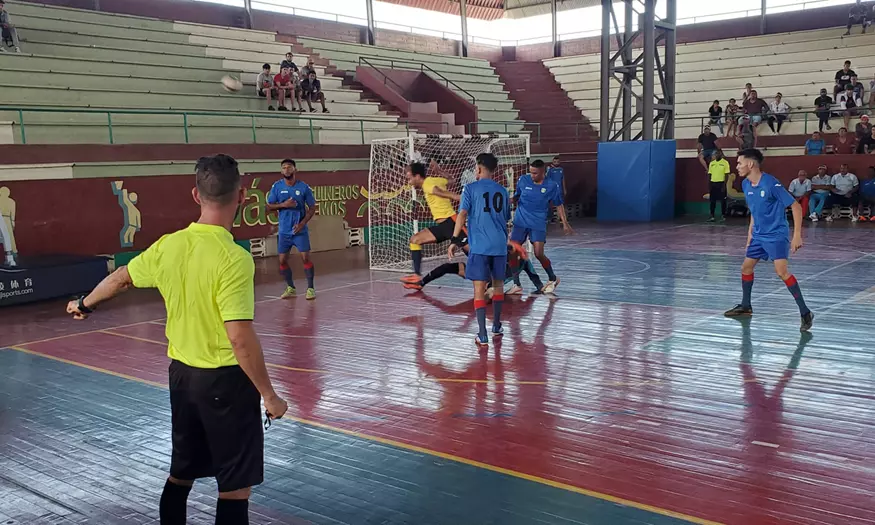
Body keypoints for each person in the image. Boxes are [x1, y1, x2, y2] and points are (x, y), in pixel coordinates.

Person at [64, 154, 288, 524]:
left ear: (196, 196)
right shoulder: (233, 258)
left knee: (181, 472)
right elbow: (239, 338)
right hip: (226, 384)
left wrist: (84, 304)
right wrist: (269, 395)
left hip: (183, 379)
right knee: (233, 486)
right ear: (242, 194)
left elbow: (121, 277)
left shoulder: (169, 245)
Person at [724, 149, 813, 332]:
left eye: (739, 163)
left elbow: (795, 207)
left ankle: (805, 312)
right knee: (746, 267)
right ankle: (746, 306)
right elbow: (754, 212)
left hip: (775, 236)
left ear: (750, 164)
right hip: (758, 235)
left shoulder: (771, 184)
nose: (737, 166)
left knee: (781, 272)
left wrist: (797, 235)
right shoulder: (747, 184)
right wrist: (750, 234)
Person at [448, 153, 510, 348]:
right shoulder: (503, 191)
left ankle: (482, 335)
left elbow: (462, 214)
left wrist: (455, 239)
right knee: (498, 285)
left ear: (479, 168)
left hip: (480, 247)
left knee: (479, 289)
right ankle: (497, 326)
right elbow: (506, 217)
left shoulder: (470, 189)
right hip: (500, 246)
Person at [510, 159, 572, 293]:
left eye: (535, 173)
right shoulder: (523, 180)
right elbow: (516, 197)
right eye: (531, 172)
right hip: (520, 222)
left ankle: (553, 278)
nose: (532, 175)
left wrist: (565, 223)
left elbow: (558, 205)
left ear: (543, 172)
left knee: (538, 253)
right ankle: (516, 284)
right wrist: (507, 200)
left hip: (537, 223)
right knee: (512, 252)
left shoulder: (551, 185)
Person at [400, 162, 461, 283]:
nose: (409, 182)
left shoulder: (427, 184)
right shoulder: (435, 180)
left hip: (452, 222)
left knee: (473, 252)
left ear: (417, 176)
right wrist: (438, 170)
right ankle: (417, 275)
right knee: (415, 240)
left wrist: (458, 197)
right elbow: (451, 180)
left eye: (410, 178)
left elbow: (440, 192)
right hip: (443, 226)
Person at [266, 159, 318, 299]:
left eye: (289, 167)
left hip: (299, 231)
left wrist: (302, 224)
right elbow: (268, 206)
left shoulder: (303, 187)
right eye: (284, 167)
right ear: (281, 171)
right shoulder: (277, 187)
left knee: (305, 258)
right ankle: (291, 288)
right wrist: (284, 205)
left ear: (295, 170)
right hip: (284, 231)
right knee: (282, 261)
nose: (286, 169)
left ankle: (311, 288)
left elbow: (312, 208)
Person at [707, 149, 731, 222]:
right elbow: (709, 174)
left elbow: (726, 174)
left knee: (723, 201)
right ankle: (712, 216)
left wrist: (724, 185)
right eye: (715, 154)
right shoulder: (712, 163)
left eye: (718, 154)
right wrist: (709, 184)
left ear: (721, 154)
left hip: (721, 183)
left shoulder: (725, 163)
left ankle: (723, 215)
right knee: (712, 201)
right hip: (713, 183)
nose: (716, 155)